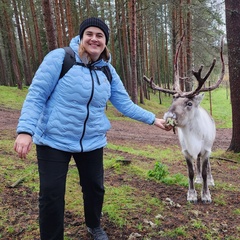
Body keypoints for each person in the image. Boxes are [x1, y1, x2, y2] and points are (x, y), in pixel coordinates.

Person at [14, 17, 171, 240]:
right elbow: (37, 95)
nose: (94, 39)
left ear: (105, 41)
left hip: (92, 141)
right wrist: (25, 131)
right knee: (51, 195)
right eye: (89, 34)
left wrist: (153, 120)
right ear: (81, 37)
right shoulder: (60, 58)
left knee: (95, 189)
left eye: (100, 35)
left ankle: (93, 225)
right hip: (53, 140)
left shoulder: (107, 70)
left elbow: (124, 103)